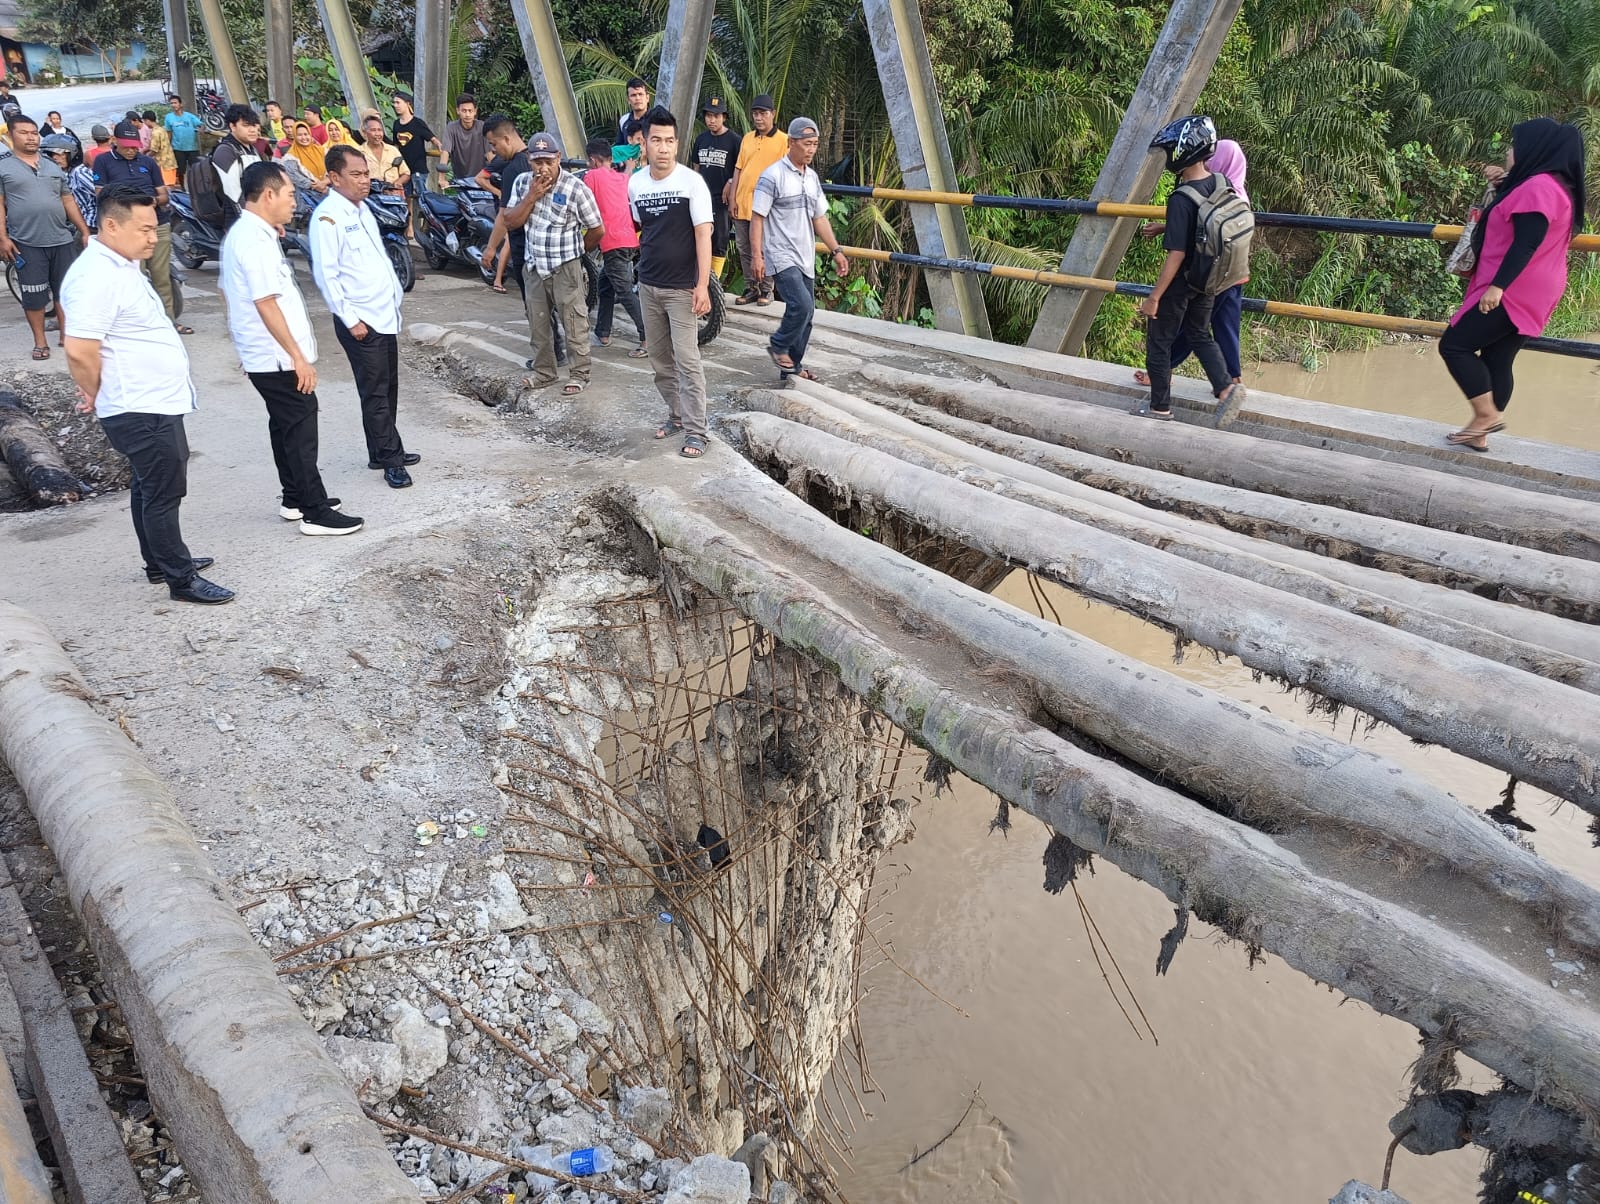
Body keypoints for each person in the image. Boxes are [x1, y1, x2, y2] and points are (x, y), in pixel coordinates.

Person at [61, 186, 232, 604]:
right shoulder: (94, 277)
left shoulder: (120, 265)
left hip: (151, 400)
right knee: (163, 490)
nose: (153, 238)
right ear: (111, 225)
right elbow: (79, 348)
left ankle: (159, 561)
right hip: (137, 405)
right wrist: (95, 391)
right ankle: (181, 578)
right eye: (144, 230)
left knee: (147, 484)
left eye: (155, 229)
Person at [221, 161, 363, 535]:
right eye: (288, 194)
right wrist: (298, 357)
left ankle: (295, 498)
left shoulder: (254, 233)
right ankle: (315, 511)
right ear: (267, 196)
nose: (294, 202)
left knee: (285, 426)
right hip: (276, 357)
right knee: (300, 428)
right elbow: (266, 303)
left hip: (266, 355)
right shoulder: (253, 242)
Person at [1439, 118, 1586, 452]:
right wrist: (1503, 184)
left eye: (1514, 145)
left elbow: (1526, 244)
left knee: (1455, 345)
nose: (1508, 151)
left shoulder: (1538, 188)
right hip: (1536, 287)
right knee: (1498, 357)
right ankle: (1480, 433)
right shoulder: (1552, 187)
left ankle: (1485, 415)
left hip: (1514, 287)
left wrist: (1498, 287)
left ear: (1534, 150)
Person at [311, 146, 419, 488]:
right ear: (334, 177)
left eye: (365, 173)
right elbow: (327, 276)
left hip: (383, 314)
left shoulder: (362, 210)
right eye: (355, 175)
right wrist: (349, 318)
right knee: (374, 392)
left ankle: (381, 449)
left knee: (388, 388)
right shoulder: (328, 218)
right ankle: (390, 459)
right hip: (361, 320)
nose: (364, 180)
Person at [1137, 114, 1245, 420]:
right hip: (1209, 278)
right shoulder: (1221, 183)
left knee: (1159, 342)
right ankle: (1225, 389)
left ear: (1184, 151)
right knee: (1199, 333)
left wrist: (1155, 296)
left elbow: (1177, 254)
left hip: (1182, 281)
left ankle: (1159, 408)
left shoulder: (1181, 198)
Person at [629, 107, 713, 458]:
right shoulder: (636, 183)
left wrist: (703, 285)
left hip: (682, 288)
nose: (663, 148)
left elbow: (703, 234)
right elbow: (640, 228)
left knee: (687, 360)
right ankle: (676, 416)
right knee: (660, 360)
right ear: (644, 143)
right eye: (656, 140)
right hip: (648, 285)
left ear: (677, 144)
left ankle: (697, 431)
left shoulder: (691, 182)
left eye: (669, 141)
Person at [500, 130, 603, 394]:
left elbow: (596, 229)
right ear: (529, 160)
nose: (543, 167)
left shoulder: (575, 188)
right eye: (537, 161)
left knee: (574, 321)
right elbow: (510, 221)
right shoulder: (523, 184)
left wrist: (576, 253)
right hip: (534, 266)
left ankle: (580, 374)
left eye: (548, 160)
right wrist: (532, 196)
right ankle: (545, 372)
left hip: (565, 266)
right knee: (538, 322)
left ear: (558, 158)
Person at [750, 116, 848, 385]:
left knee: (808, 316)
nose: (811, 149)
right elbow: (757, 217)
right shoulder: (772, 176)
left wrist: (836, 250)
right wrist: (757, 256)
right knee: (801, 305)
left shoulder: (812, 177)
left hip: (805, 254)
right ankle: (778, 345)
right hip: (781, 254)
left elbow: (820, 218)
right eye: (807, 143)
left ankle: (792, 366)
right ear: (791, 143)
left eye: (815, 144)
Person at [0, 113, 91, 360]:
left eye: (33, 133)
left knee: (65, 291)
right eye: (24, 133)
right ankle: (40, 343)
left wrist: (84, 231)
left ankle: (66, 335)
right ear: (10, 135)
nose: (31, 137)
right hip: (26, 243)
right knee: (34, 296)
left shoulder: (52, 166)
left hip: (61, 240)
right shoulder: (3, 166)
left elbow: (67, 199)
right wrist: (3, 237)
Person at [94, 120, 186, 332]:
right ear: (114, 141)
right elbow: (101, 196)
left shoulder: (148, 162)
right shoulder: (104, 162)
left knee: (162, 277)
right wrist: (131, 207)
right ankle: (142, 325)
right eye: (126, 146)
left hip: (157, 224)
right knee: (136, 279)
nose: (131, 150)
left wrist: (152, 202)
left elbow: (163, 193)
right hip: (127, 230)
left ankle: (168, 323)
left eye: (134, 146)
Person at [584, 136, 647, 355]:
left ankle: (648, 336)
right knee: (605, 285)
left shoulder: (591, 176)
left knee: (625, 291)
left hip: (611, 242)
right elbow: (627, 176)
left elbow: (582, 202)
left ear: (592, 160)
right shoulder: (621, 178)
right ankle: (603, 332)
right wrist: (630, 166)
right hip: (630, 240)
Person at [728, 94, 785, 305]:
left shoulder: (784, 141)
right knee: (744, 247)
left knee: (764, 248)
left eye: (763, 113)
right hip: (743, 203)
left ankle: (767, 289)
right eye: (755, 114)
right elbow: (738, 169)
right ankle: (751, 287)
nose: (759, 118)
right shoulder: (747, 138)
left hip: (766, 206)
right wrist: (733, 197)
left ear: (773, 114)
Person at [479, 115, 530, 300]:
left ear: (506, 139)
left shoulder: (512, 170)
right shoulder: (539, 160)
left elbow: (504, 216)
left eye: (494, 144)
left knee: (532, 304)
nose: (494, 150)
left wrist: (491, 248)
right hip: (542, 246)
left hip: (523, 245)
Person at [692, 96, 739, 280]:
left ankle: (714, 283)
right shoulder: (701, 139)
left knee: (720, 240)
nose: (712, 120)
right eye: (709, 116)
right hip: (703, 198)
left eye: (716, 116)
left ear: (724, 117)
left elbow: (740, 169)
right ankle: (699, 279)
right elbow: (696, 167)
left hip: (722, 199)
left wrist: (730, 183)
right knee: (699, 238)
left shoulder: (734, 140)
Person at [212, 104, 263, 214]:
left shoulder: (252, 149)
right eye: (246, 125)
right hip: (235, 217)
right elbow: (232, 193)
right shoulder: (225, 151)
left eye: (254, 126)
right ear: (232, 126)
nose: (253, 130)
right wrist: (247, 217)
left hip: (255, 212)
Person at [440, 93, 486, 187]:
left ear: (475, 111)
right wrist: (441, 179)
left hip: (482, 180)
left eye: (470, 111)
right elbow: (445, 153)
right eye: (464, 111)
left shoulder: (482, 127)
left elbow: (490, 155)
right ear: (458, 111)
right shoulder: (451, 128)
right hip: (460, 181)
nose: (467, 114)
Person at [359, 115, 409, 193]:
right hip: (370, 195)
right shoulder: (359, 152)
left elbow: (406, 173)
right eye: (373, 130)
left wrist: (398, 182)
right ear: (365, 132)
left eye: (380, 130)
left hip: (392, 195)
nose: (377, 134)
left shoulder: (393, 150)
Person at [285, 121, 330, 193]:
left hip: (329, 188)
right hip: (307, 195)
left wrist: (324, 182)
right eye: (299, 135)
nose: (303, 138)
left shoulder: (322, 150)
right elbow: (294, 176)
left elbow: (334, 168)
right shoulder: (290, 157)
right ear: (294, 136)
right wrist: (314, 186)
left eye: (306, 134)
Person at [164, 96, 204, 175]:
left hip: (192, 148)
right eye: (171, 103)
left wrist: (201, 129)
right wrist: (168, 147)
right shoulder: (169, 117)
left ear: (181, 104)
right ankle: (181, 187)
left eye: (175, 103)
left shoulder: (189, 116)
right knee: (180, 171)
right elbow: (169, 132)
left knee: (196, 170)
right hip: (178, 148)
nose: (173, 105)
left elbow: (201, 124)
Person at [65, 140, 99, 229]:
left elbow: (100, 191)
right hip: (84, 220)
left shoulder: (79, 172)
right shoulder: (68, 173)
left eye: (60, 154)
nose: (55, 158)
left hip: (92, 221)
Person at [143, 110, 177, 185]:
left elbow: (154, 150)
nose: (145, 124)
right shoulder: (161, 129)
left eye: (144, 121)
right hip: (170, 161)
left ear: (147, 120)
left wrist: (145, 157)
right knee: (172, 184)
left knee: (168, 186)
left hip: (163, 164)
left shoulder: (155, 133)